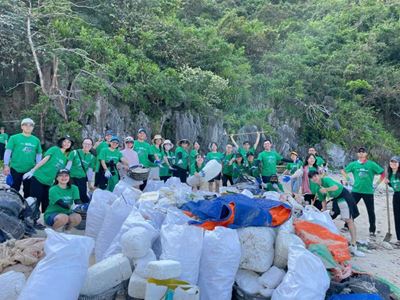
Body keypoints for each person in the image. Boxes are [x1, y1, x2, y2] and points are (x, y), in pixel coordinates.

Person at [309, 170, 365, 257]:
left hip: (344, 195)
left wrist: (326, 189)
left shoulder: (326, 180)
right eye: (312, 178)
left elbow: (335, 187)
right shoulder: (317, 188)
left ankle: (353, 245)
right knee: (331, 216)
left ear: (319, 175)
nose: (314, 178)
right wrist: (323, 210)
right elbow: (323, 200)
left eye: (315, 176)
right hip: (336, 199)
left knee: (349, 220)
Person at [26, 135, 73, 229]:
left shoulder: (65, 158)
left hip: (49, 183)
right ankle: (31, 221)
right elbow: (44, 160)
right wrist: (33, 170)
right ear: (61, 142)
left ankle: (44, 221)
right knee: (35, 201)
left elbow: (60, 173)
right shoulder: (54, 149)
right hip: (39, 178)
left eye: (69, 142)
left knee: (46, 202)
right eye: (65, 141)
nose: (66, 144)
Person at [341, 147, 385, 237]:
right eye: (359, 152)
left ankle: (372, 230)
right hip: (356, 190)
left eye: (363, 152)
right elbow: (343, 171)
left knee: (371, 211)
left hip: (368, 191)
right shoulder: (353, 164)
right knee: (351, 208)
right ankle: (346, 226)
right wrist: (349, 179)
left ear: (366, 154)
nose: (361, 154)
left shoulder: (371, 164)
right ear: (357, 154)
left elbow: (383, 173)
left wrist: (376, 184)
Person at [3, 118, 42, 198]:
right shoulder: (14, 138)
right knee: (14, 190)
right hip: (15, 168)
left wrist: (37, 167)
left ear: (33, 127)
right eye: (26, 124)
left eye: (31, 125)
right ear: (22, 126)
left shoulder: (36, 140)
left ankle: (26, 207)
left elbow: (39, 154)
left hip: (30, 170)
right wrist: (6, 165)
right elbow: (8, 151)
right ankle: (13, 206)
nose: (28, 127)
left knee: (28, 191)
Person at [66, 138, 95, 203]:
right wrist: (65, 178)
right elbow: (68, 166)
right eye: (85, 143)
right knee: (74, 194)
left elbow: (89, 171)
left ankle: (83, 209)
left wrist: (89, 184)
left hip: (82, 178)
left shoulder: (92, 157)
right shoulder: (74, 153)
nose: (87, 145)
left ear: (91, 146)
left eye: (89, 144)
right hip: (72, 177)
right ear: (82, 144)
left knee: (83, 195)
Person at [385, 156, 400, 247]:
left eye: (395, 162)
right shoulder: (390, 174)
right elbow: (393, 185)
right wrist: (388, 182)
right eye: (392, 162)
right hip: (396, 196)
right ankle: (399, 239)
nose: (393, 164)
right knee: (397, 217)